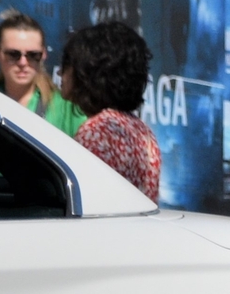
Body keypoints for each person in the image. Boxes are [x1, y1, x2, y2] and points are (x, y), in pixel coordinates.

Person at [62, 20, 161, 201]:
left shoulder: (97, 132)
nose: (61, 72)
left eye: (67, 63)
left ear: (87, 72)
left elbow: (85, 202)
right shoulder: (143, 131)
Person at [0, 10, 87, 135]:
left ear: (43, 55)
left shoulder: (66, 109)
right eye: (13, 54)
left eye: (33, 55)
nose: (23, 62)